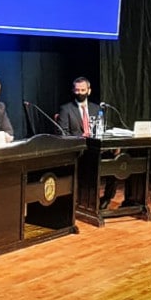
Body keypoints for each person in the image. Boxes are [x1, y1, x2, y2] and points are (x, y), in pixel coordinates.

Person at [57, 76, 119, 208]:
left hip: (96, 149)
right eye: (77, 90)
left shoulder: (97, 109)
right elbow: (63, 134)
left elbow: (103, 129)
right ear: (73, 91)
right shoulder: (66, 109)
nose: (80, 93)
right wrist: (81, 138)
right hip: (79, 151)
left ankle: (107, 198)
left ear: (89, 91)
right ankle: (82, 200)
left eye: (83, 90)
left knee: (116, 161)